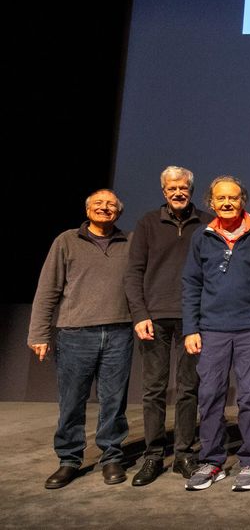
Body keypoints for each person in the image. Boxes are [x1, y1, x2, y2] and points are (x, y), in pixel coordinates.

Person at [182, 176, 250, 492]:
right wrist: (191, 328)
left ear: (244, 200)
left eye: (234, 197)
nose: (227, 203)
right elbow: (191, 284)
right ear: (210, 203)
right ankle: (212, 462)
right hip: (212, 328)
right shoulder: (202, 236)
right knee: (209, 394)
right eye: (221, 198)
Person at [28, 189, 132, 488]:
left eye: (111, 205)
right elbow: (47, 290)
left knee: (114, 401)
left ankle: (112, 456)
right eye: (98, 204)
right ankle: (69, 459)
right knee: (72, 400)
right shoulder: (67, 241)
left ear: (118, 212)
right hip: (75, 333)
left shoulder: (130, 242)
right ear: (88, 210)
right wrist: (39, 333)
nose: (105, 208)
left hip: (119, 331)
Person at [126, 166, 212, 485]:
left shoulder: (206, 223)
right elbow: (133, 272)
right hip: (154, 319)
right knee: (154, 389)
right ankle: (153, 456)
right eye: (171, 188)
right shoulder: (148, 222)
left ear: (191, 190)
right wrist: (139, 314)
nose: (178, 193)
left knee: (189, 388)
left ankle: (185, 454)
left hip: (194, 319)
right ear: (164, 191)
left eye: (183, 188)